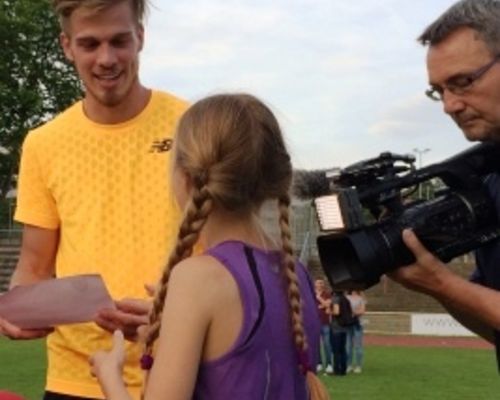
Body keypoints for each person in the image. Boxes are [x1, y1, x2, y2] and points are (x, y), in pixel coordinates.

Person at [0, 0, 188, 399]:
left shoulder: (192, 127)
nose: (106, 59)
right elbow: (33, 265)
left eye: (119, 40)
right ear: (67, 46)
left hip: (179, 373)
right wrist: (16, 310)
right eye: (90, 44)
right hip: (75, 378)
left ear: (140, 37)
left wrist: (174, 316)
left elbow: (225, 255)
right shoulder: (43, 144)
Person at [88, 93, 329, 399]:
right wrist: (172, 327)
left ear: (185, 178)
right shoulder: (297, 275)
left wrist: (110, 375)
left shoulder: (198, 278)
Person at [389, 0, 500, 368]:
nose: (449, 105)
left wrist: (443, 284)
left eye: (463, 82)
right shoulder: (489, 178)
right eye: (439, 90)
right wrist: (429, 277)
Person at [314, 278, 334, 374]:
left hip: (325, 323)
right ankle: (319, 363)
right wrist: (322, 305)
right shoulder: (311, 293)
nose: (320, 284)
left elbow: (327, 304)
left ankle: (329, 364)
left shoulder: (327, 294)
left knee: (327, 344)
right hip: (315, 323)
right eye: (318, 283)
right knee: (316, 344)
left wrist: (319, 298)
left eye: (321, 283)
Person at [345, 290, 366, 374]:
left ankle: (358, 365)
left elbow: (362, 311)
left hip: (358, 324)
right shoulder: (346, 298)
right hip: (348, 323)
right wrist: (355, 311)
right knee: (348, 346)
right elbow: (345, 310)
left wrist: (354, 312)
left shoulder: (361, 298)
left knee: (358, 346)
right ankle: (348, 365)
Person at [329, 291, 348, 376]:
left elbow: (336, 312)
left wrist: (329, 311)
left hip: (336, 327)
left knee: (336, 350)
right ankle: (343, 369)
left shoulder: (336, 299)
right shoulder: (345, 299)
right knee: (342, 349)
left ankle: (337, 370)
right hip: (344, 327)